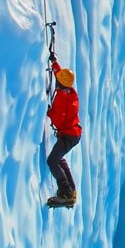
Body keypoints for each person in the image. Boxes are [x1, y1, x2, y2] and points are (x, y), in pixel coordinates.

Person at [47, 52, 81, 206]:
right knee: (59, 159)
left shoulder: (62, 98)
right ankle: (72, 190)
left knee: (52, 161)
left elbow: (58, 119)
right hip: (74, 134)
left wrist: (48, 111)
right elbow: (61, 76)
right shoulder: (70, 93)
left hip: (68, 135)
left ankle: (66, 192)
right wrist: (54, 62)